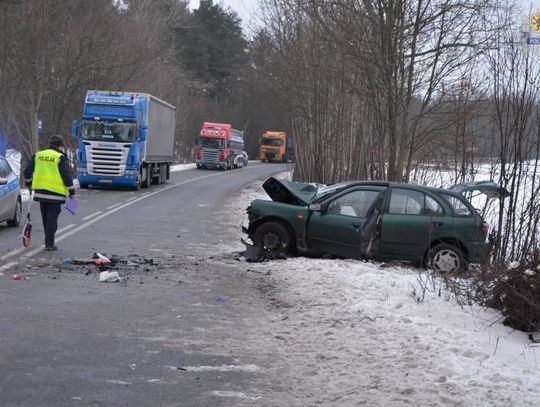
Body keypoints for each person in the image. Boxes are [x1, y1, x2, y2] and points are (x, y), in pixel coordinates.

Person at [24, 135, 75, 251]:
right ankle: (49, 243)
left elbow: (27, 172)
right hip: (55, 194)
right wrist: (71, 190)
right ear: (60, 146)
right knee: (52, 220)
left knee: (46, 219)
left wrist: (29, 184)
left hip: (41, 193)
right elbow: (67, 176)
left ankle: (48, 241)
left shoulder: (38, 155)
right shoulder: (60, 157)